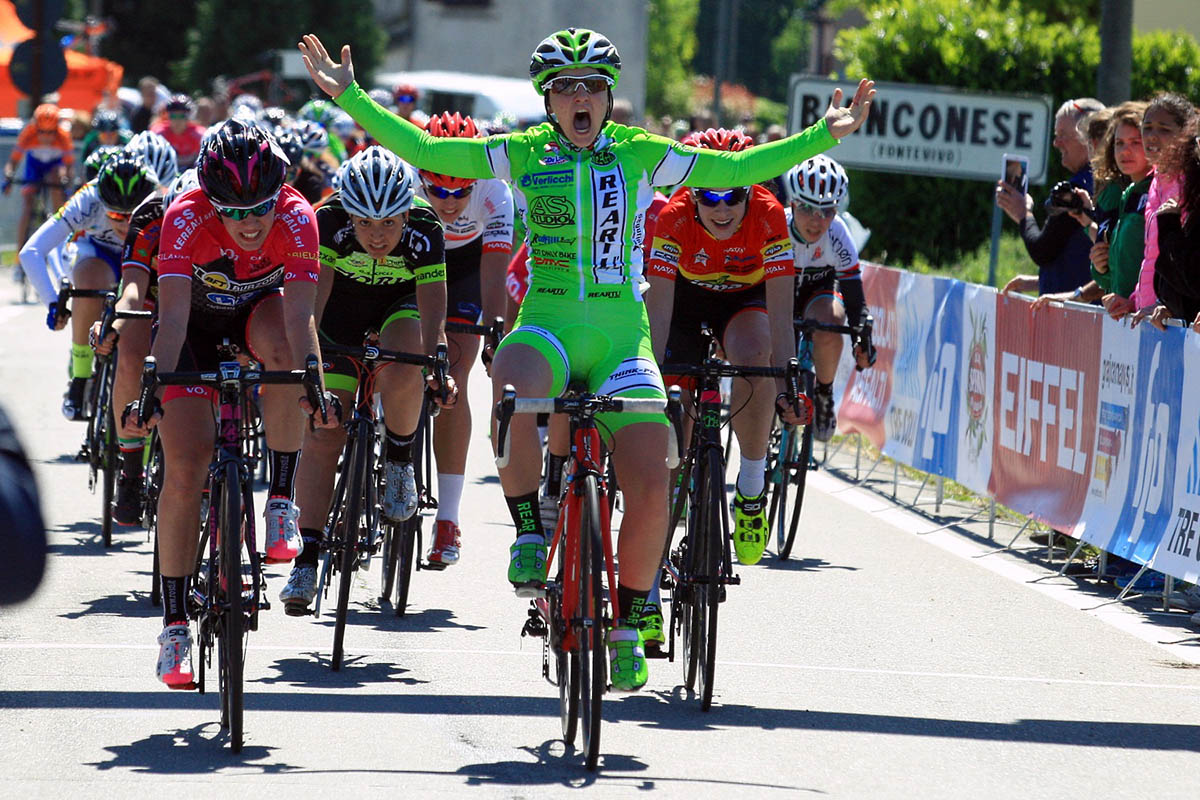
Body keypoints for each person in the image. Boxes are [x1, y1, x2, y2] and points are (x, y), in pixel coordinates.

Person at [299, 27, 874, 692]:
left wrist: (823, 136)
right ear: (549, 101)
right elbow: (426, 148)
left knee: (655, 473)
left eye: (591, 87)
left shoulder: (643, 154)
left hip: (621, 338)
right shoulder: (522, 152)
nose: (579, 97)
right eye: (565, 87)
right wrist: (352, 99)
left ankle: (630, 620)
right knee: (513, 386)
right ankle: (526, 532)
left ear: (607, 98)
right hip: (546, 326)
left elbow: (739, 171)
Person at [120, 119, 336, 688]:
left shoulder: (298, 217)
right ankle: (172, 627)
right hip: (191, 325)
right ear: (210, 201)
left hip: (259, 316)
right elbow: (170, 325)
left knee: (287, 349)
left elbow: (300, 315)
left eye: (260, 208)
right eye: (233, 212)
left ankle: (281, 499)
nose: (249, 222)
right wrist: (151, 386)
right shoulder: (184, 216)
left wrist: (311, 377)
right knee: (186, 467)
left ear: (279, 196)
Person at [280, 146, 457, 613]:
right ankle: (307, 556)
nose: (377, 236)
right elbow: (314, 302)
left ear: (405, 214)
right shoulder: (327, 220)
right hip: (339, 314)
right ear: (349, 215)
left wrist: (437, 355)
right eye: (365, 224)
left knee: (406, 362)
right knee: (323, 431)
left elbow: (434, 305)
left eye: (388, 225)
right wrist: (311, 368)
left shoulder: (425, 225)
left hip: (399, 307)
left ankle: (399, 460)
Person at [645, 128, 804, 576]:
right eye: (708, 198)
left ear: (749, 191)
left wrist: (787, 379)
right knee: (673, 414)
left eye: (732, 196)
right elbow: (658, 313)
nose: (721, 209)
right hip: (684, 301)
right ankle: (651, 585)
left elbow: (781, 316)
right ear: (692, 195)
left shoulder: (770, 215)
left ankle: (751, 490)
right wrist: (653, 380)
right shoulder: (673, 217)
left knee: (757, 355)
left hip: (745, 300)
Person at [414, 111, 513, 566]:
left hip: (468, 267)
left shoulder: (495, 191)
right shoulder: (402, 178)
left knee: (452, 376)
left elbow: (495, 274)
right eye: (437, 190)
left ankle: (448, 518)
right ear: (420, 178)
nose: (449, 202)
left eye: (460, 191)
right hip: (410, 257)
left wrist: (495, 331)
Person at [21, 151, 157, 421]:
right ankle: (80, 378)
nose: (126, 224)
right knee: (89, 280)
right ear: (102, 202)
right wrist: (52, 303)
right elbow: (32, 251)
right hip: (98, 253)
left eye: (133, 216)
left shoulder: (158, 201)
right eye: (116, 216)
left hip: (143, 255)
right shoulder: (87, 199)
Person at [783, 155, 875, 441]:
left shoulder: (838, 234)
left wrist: (863, 334)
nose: (817, 220)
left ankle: (823, 392)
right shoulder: (776, 227)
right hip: (779, 290)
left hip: (818, 291)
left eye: (827, 211)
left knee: (830, 321)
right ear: (793, 204)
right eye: (808, 208)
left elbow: (854, 295)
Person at [1032, 102, 1150, 311]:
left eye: (1135, 142)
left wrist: (1023, 214)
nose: (1125, 151)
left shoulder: (1123, 190)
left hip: (1144, 322)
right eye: (1119, 143)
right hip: (1123, 319)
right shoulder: (1128, 192)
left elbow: (1151, 263)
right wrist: (1089, 225)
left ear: (1094, 144)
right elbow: (1115, 263)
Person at [997, 98, 1104, 297]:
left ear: (1089, 137)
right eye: (1056, 135)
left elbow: (1043, 251)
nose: (1056, 143)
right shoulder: (1108, 182)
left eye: (1063, 135)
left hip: (1077, 317)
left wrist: (1023, 214)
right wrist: (1039, 281)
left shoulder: (1077, 189)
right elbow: (1085, 264)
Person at [1111, 93, 1197, 318]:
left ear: (1185, 134)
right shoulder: (1155, 180)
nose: (1152, 137)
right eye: (1147, 128)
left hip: (1175, 320)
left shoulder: (1191, 182)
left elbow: (1184, 260)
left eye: (1164, 129)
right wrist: (1134, 301)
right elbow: (1152, 255)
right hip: (1148, 317)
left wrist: (1166, 304)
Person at [4, 104, 74, 253]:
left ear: (57, 129)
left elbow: (68, 166)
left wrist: (66, 183)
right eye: (41, 132)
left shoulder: (63, 136)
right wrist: (9, 176)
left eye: (51, 132)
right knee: (27, 206)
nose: (46, 137)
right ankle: (19, 254)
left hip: (54, 167)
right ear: (36, 128)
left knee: (57, 187)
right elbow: (13, 162)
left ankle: (60, 238)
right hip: (34, 166)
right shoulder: (28, 134)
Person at [150, 94, 205, 168]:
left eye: (181, 116)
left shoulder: (199, 135)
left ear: (188, 118)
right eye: (173, 116)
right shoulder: (158, 133)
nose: (177, 121)